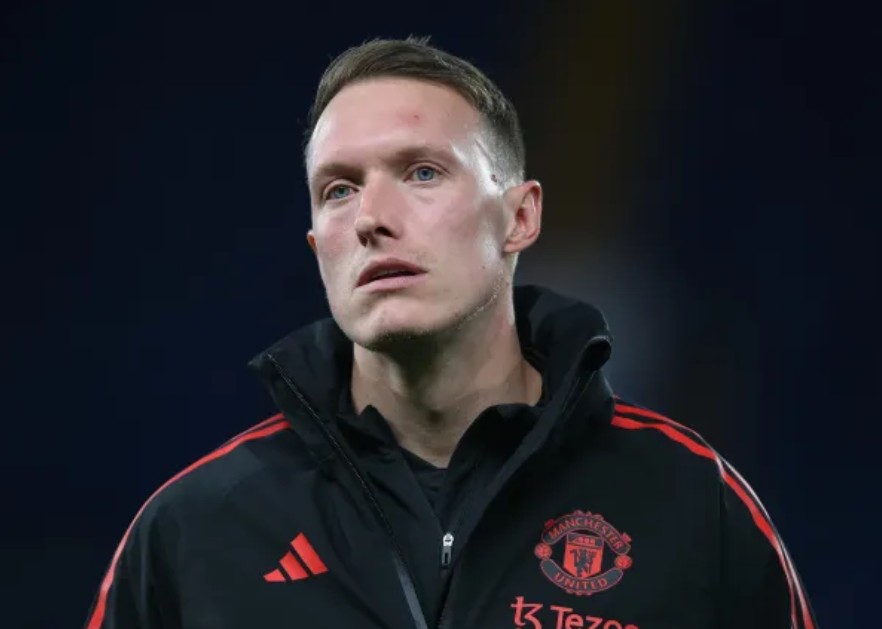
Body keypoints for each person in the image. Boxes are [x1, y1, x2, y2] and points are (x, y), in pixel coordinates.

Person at [84, 37, 817, 629]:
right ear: (317, 247)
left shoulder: (692, 503)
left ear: (520, 217)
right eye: (338, 189)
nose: (372, 218)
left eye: (423, 173)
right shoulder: (195, 529)